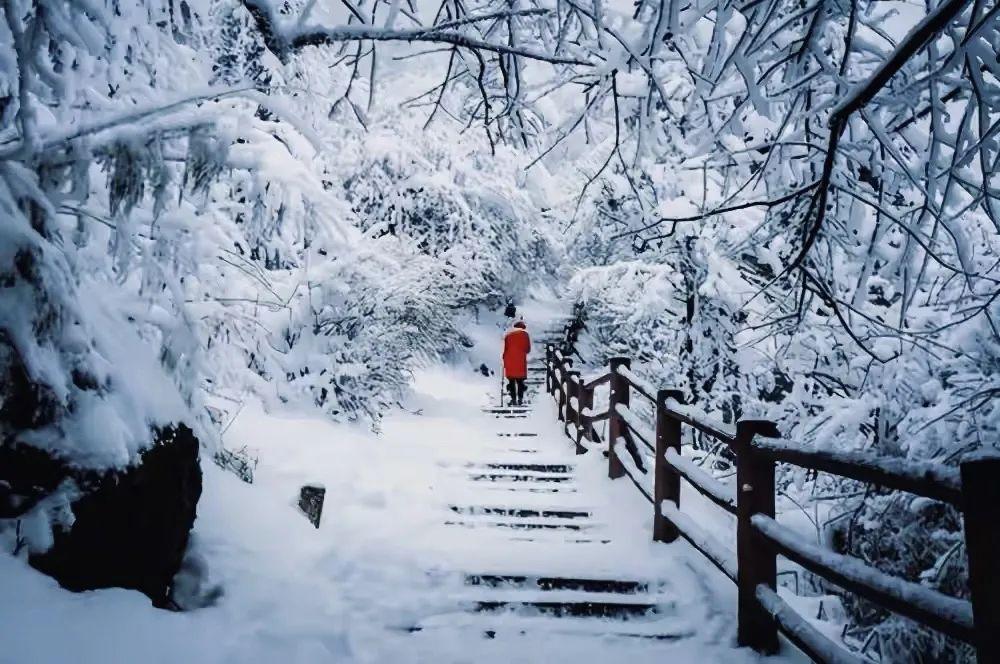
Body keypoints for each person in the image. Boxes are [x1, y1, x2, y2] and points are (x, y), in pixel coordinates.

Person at [502, 320, 531, 406]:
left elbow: (505, 349)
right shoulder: (525, 335)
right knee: (520, 381)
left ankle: (513, 399)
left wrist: (504, 359)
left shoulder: (508, 335)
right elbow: (527, 349)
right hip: (520, 361)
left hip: (509, 360)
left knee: (511, 382)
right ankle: (520, 399)